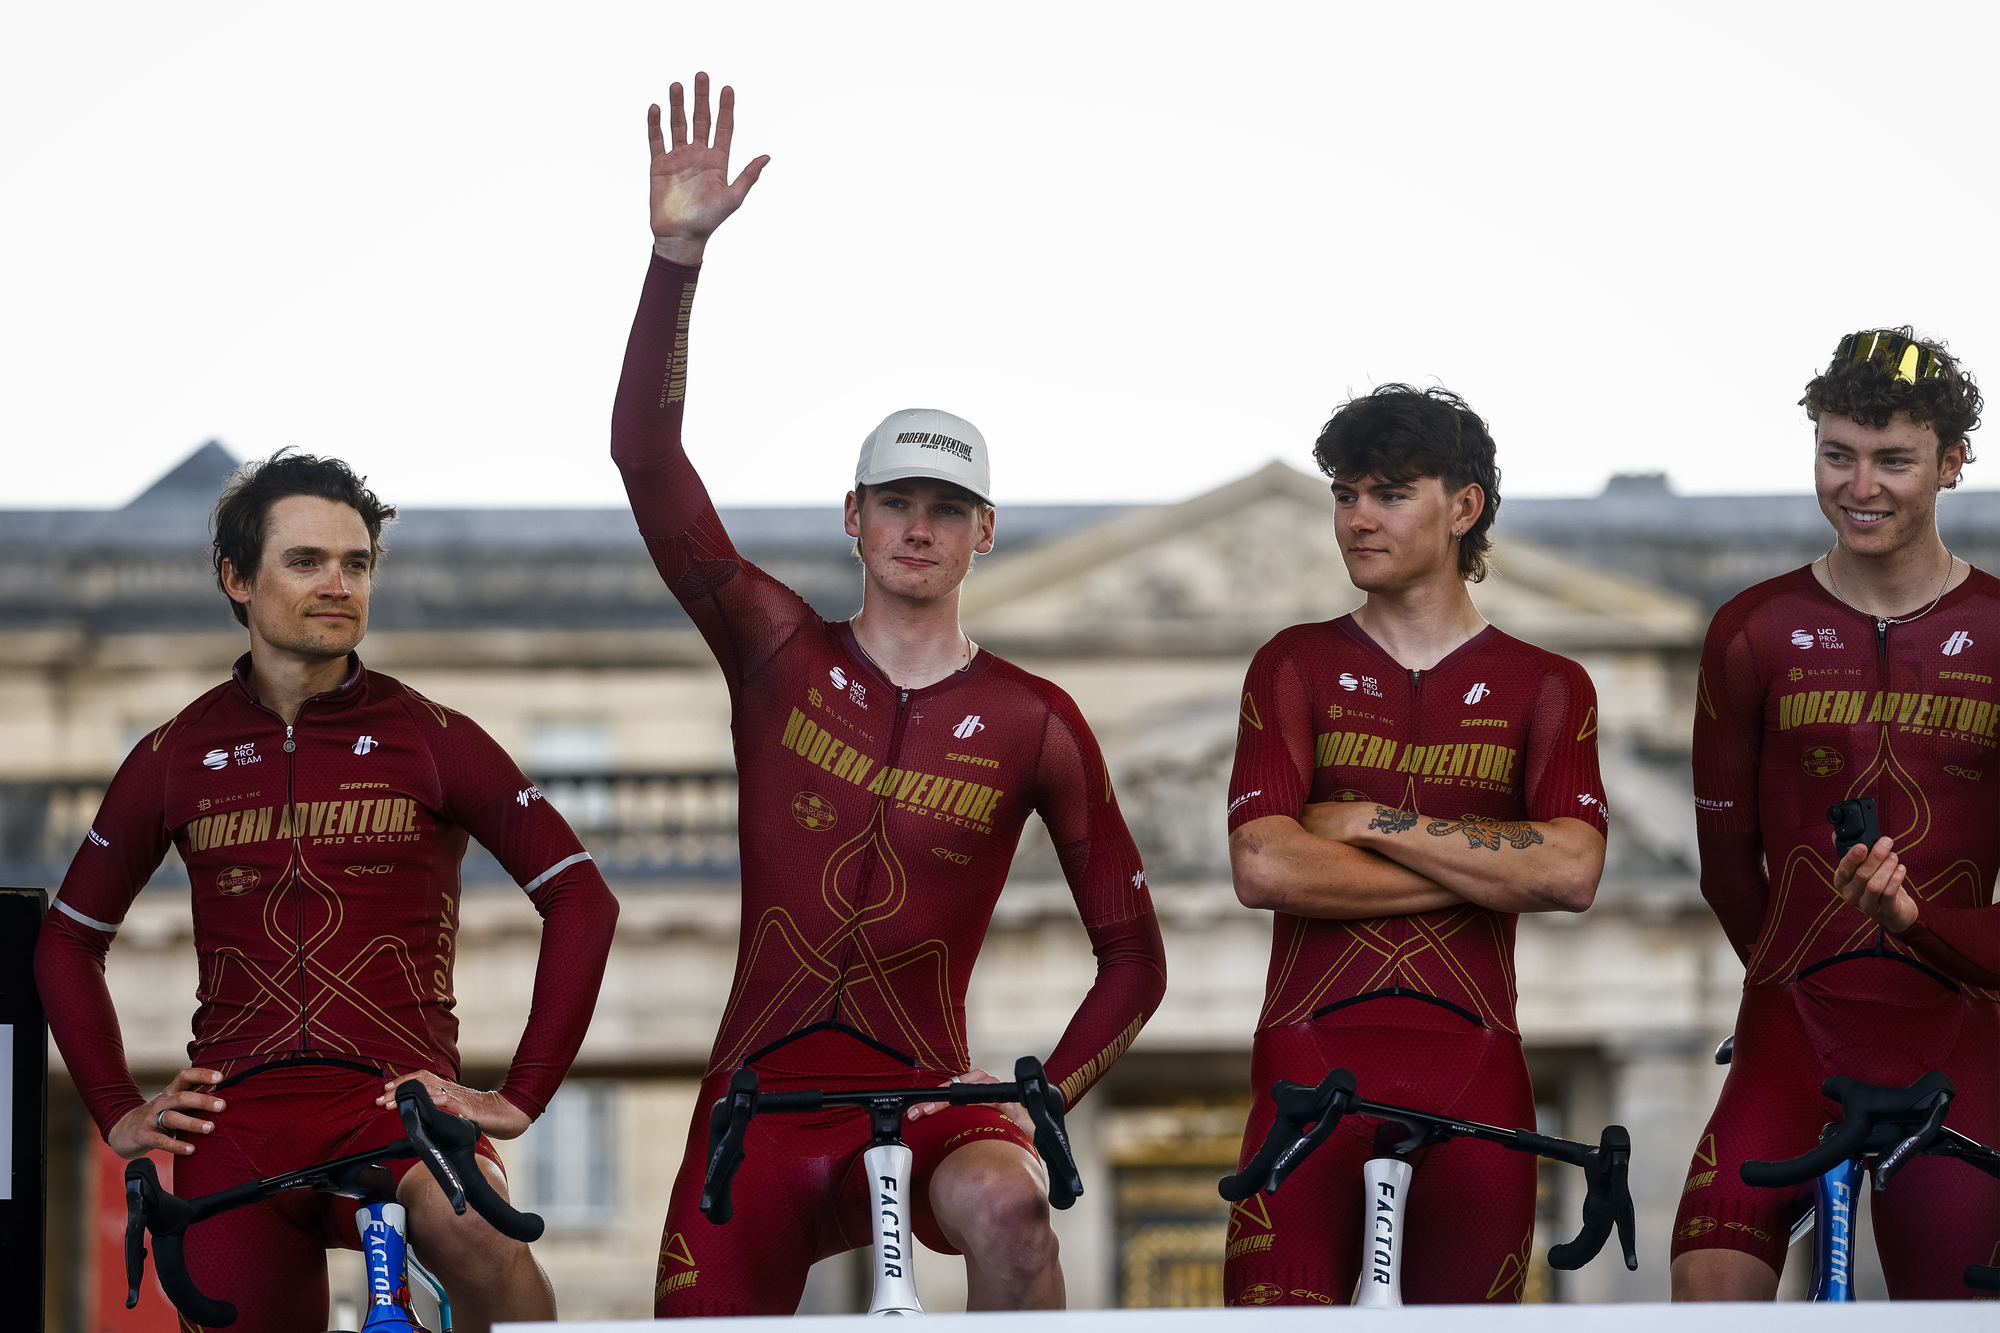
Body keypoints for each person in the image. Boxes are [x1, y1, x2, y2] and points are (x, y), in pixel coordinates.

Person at [612, 74, 1167, 1317]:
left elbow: (1133, 959)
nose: (919, 528)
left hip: (924, 1104)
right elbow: (645, 461)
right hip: (754, 1106)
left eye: (947, 510)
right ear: (853, 518)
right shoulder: (774, 649)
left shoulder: (1035, 720)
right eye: (897, 503)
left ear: (984, 534)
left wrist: (1041, 1094)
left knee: (1010, 1207)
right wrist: (675, 261)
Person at [33, 452, 620, 1333]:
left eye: (356, 562)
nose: (338, 583)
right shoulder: (172, 753)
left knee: (484, 1241)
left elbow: (582, 896)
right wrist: (117, 1108)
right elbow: (68, 939)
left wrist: (519, 1096)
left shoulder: (434, 736)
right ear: (237, 578)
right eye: (306, 561)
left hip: (393, 1103)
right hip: (236, 1121)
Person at [1223, 385, 1609, 1305]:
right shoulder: (1292, 663)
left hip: (1476, 1075)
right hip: (1306, 1071)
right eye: (1345, 494)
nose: (1357, 518)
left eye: (1390, 494)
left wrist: (1367, 821)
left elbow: (1569, 870)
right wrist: (1492, 871)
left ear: (1463, 507)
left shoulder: (1549, 684)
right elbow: (1265, 864)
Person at [1671, 329, 2000, 1301]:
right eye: (1836, 454)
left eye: (1892, 459)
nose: (1859, 486)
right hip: (1790, 1032)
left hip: (1959, 1039)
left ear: (1950, 462)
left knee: (1956, 1315)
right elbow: (1727, 870)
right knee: (1703, 1294)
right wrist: (1795, 975)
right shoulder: (1750, 629)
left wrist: (1914, 924)